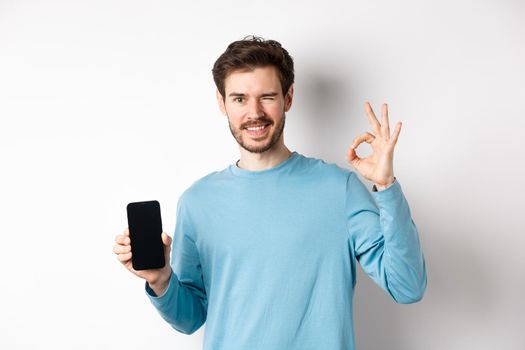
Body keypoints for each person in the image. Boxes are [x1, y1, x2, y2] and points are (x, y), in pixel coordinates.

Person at [113, 35, 427, 350]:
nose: (254, 112)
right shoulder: (198, 202)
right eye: (239, 99)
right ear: (222, 103)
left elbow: (407, 286)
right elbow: (190, 319)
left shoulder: (338, 189)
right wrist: (161, 279)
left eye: (267, 96)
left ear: (288, 97)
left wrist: (386, 187)